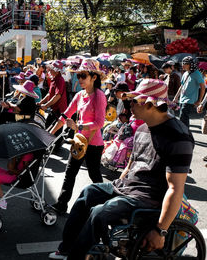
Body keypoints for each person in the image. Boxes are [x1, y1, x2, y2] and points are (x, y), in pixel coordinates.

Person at [49, 79, 194, 260]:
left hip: (148, 198)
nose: (129, 105)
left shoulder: (178, 136)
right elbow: (131, 164)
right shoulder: (142, 128)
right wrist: (118, 185)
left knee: (100, 212)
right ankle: (67, 248)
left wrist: (160, 230)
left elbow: (175, 188)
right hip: (127, 188)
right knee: (88, 193)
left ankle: (76, 256)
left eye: (134, 101)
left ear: (150, 105)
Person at [49, 59, 107, 214]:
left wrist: (79, 127)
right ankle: (61, 205)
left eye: (83, 75)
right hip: (79, 141)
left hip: (94, 144)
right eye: (78, 75)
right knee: (70, 173)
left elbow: (100, 123)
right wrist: (50, 134)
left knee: (95, 176)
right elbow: (66, 115)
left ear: (94, 77)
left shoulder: (99, 96)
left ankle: (106, 206)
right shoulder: (80, 95)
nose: (79, 79)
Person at [174, 56, 205, 128]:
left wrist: (199, 101)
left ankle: (185, 134)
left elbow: (203, 87)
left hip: (189, 100)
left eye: (185, 63)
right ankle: (185, 133)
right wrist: (176, 97)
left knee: (183, 117)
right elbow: (181, 86)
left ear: (191, 64)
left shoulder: (197, 74)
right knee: (182, 117)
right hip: (182, 99)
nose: (183, 65)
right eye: (182, 63)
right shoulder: (185, 73)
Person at [37, 60, 68, 127]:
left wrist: (46, 105)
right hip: (53, 109)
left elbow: (57, 96)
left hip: (59, 111)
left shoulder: (60, 80)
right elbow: (49, 94)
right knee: (47, 126)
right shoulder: (53, 79)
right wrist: (41, 103)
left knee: (53, 131)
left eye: (51, 69)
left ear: (56, 71)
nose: (49, 71)